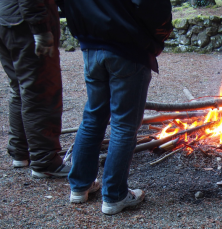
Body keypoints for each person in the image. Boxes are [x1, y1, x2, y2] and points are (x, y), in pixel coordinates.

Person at [64, 0, 173, 215]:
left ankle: (80, 186)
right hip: (127, 47)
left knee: (93, 117)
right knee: (124, 124)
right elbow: (155, 7)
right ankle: (115, 196)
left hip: (91, 45)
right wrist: (158, 37)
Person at [0, 0, 70, 177]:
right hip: (25, 24)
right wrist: (40, 28)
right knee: (41, 90)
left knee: (19, 86)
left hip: (6, 18)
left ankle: (20, 151)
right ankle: (45, 161)